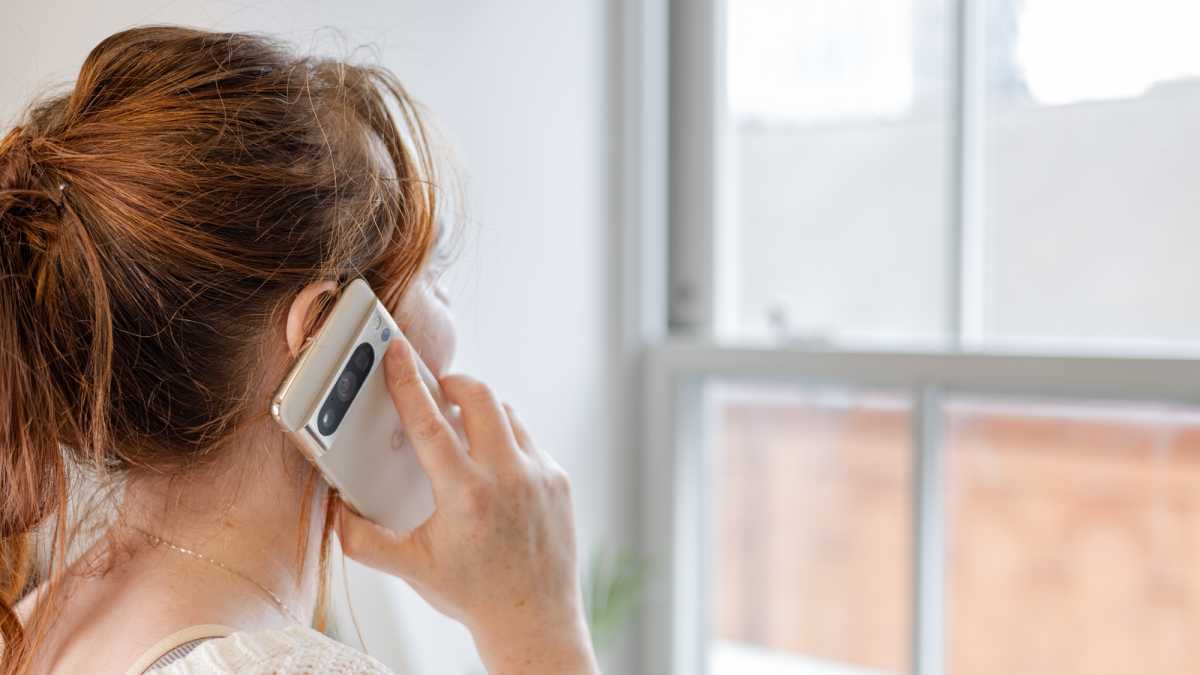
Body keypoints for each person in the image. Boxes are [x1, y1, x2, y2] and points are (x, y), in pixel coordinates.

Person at [0, 26, 601, 675]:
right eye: (428, 272)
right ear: (324, 332)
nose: (449, 320)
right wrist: (538, 624)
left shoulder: (32, 626)